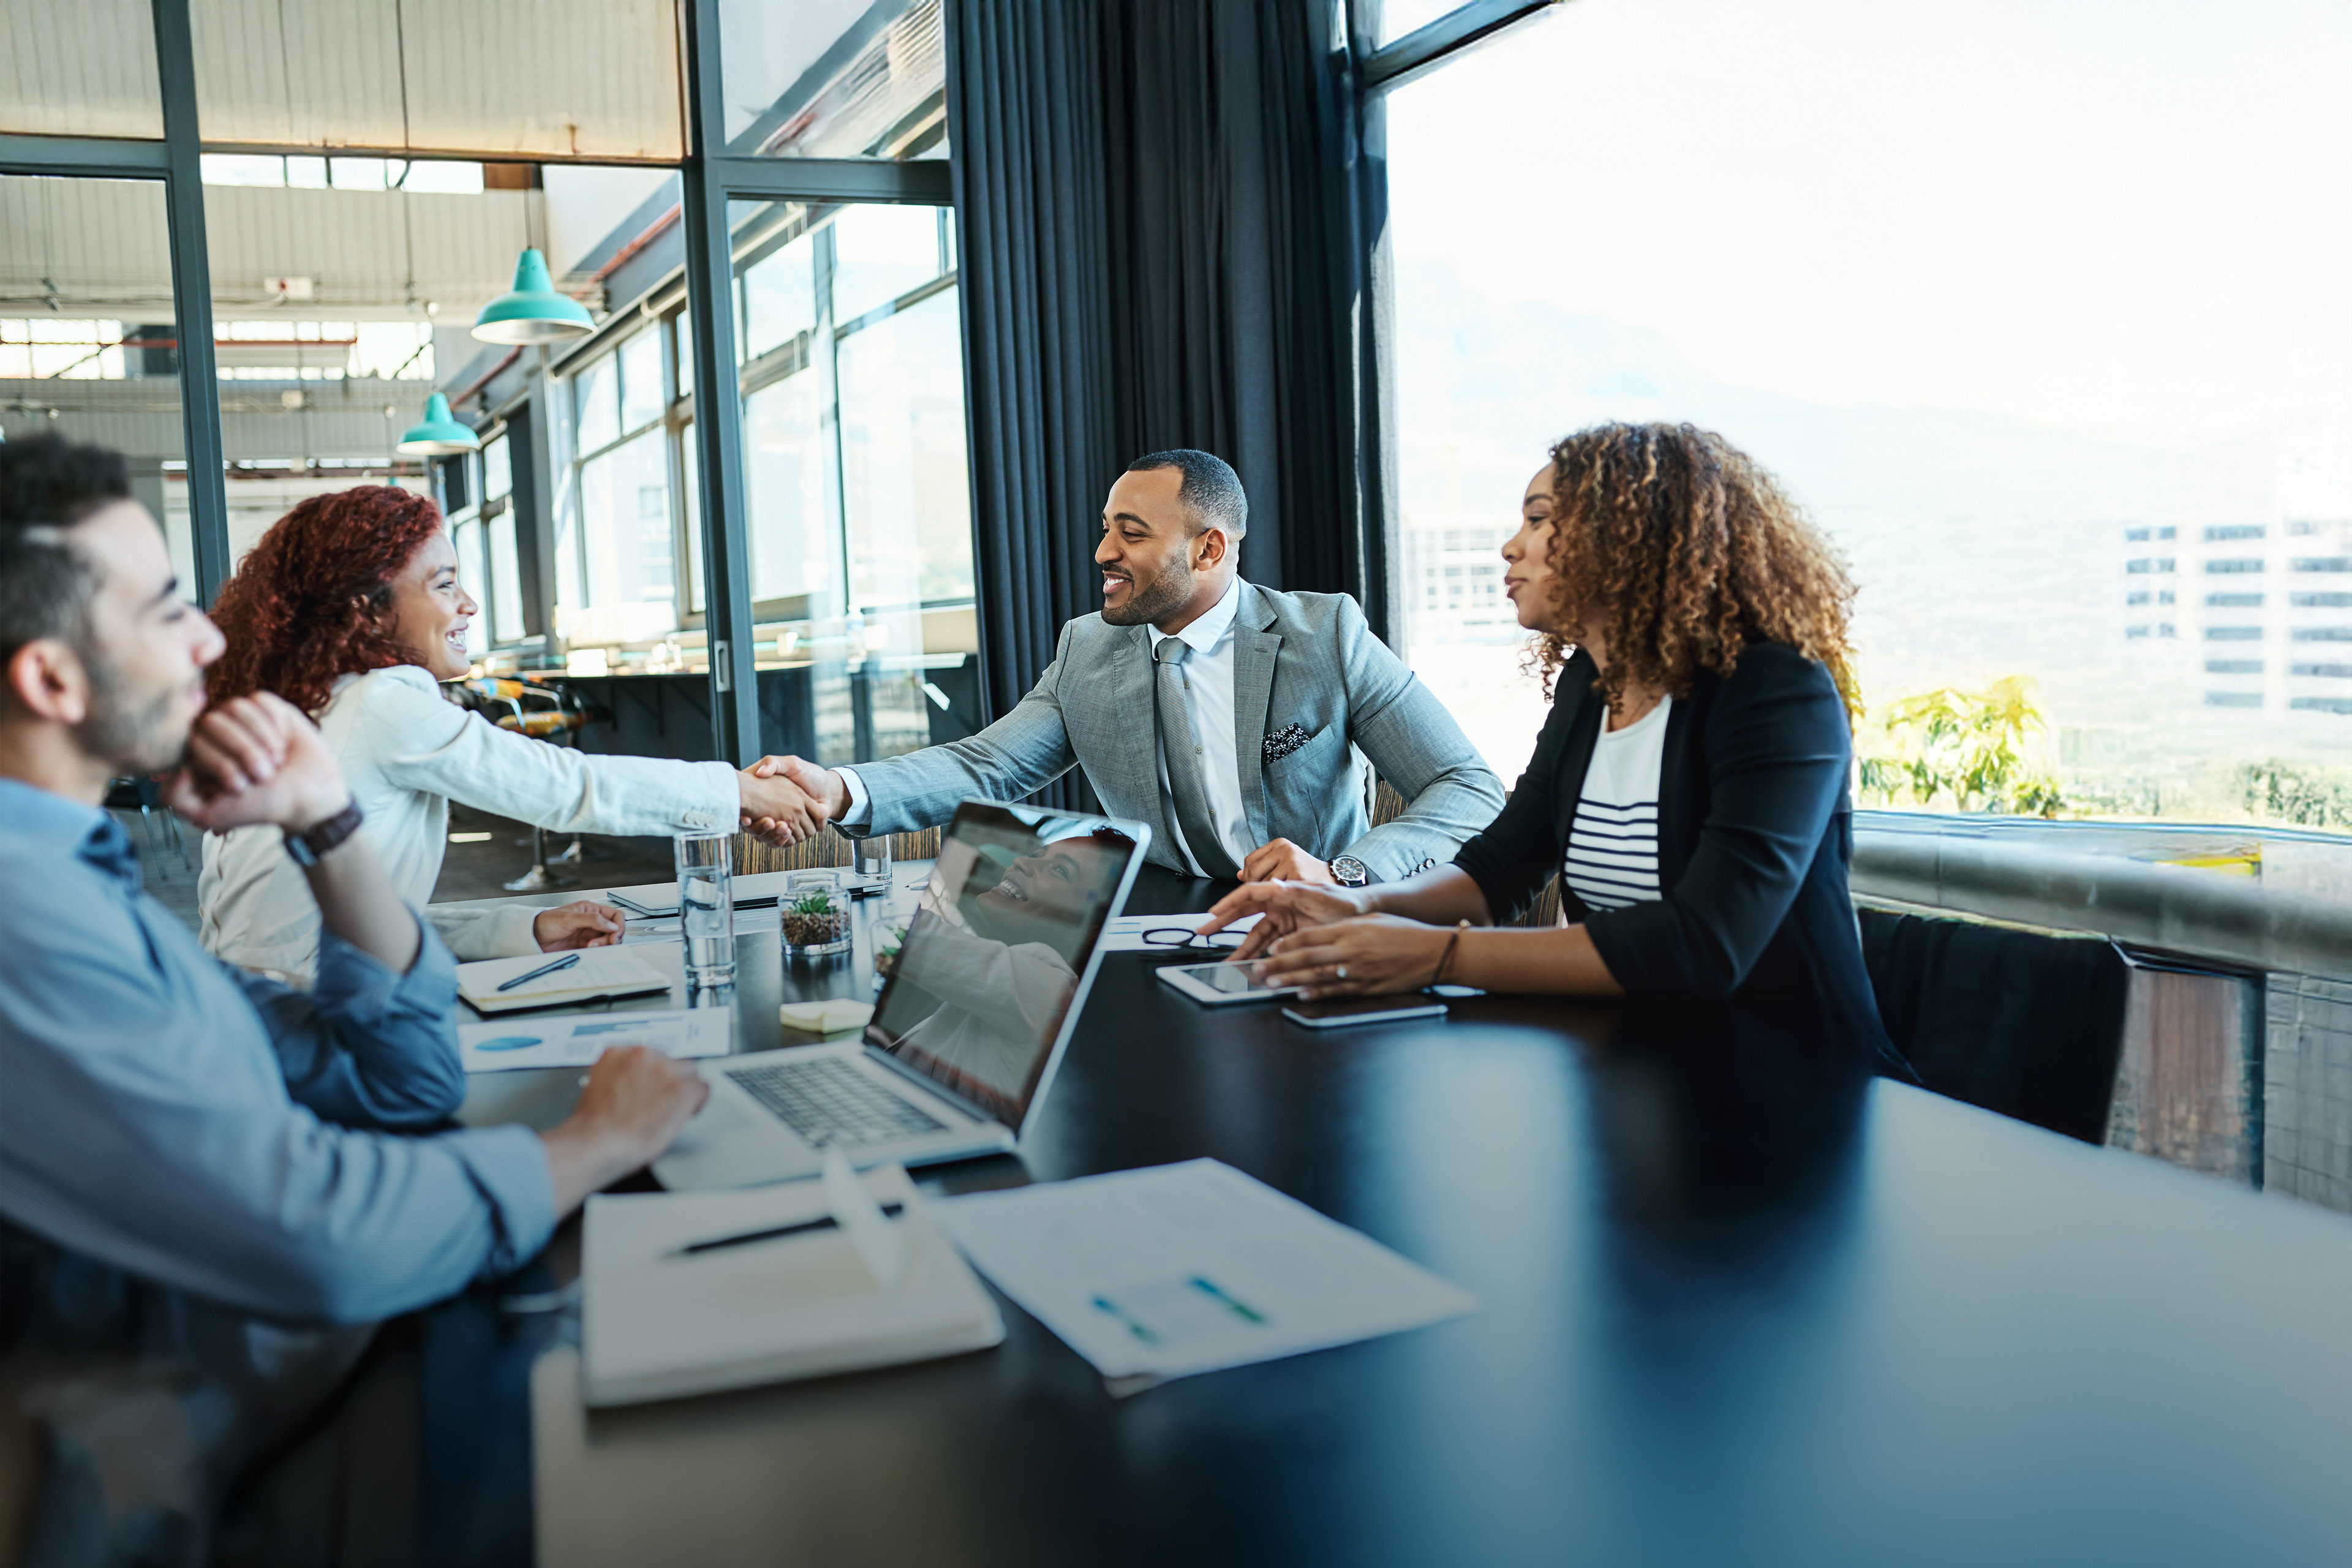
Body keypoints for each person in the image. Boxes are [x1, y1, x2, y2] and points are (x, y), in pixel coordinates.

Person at [0, 435, 710, 1548]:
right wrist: (592, 1146)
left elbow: (397, 1078)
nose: (206, 637)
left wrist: (327, 828)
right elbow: (318, 1238)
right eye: (163, 610)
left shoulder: (81, 881)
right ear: (51, 678)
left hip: (275, 1392)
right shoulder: (29, 925)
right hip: (218, 1464)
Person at [1200, 422, 1893, 1047]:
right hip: (1639, 1068)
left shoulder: (1775, 691)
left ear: (1632, 535)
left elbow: (1704, 944)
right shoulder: (1592, 685)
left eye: (1538, 519)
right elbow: (1498, 870)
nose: (1511, 546)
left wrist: (1437, 955)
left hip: (1794, 1080)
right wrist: (1355, 903)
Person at [748, 450, 1504, 887]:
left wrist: (1347, 876)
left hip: (1319, 934)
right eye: (1106, 529)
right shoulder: (1088, 647)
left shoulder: (1326, 634)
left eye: (1131, 534)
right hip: (1160, 936)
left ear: (1210, 550)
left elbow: (1467, 787)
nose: (1104, 553)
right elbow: (987, 768)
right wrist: (841, 788)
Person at [195, 484, 822, 981]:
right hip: (307, 1037)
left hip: (264, 1016)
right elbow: (567, 785)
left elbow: (347, 930)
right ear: (369, 609)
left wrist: (522, 931)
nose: (468, 603)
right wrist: (735, 792)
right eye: (443, 584)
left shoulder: (315, 703)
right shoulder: (381, 702)